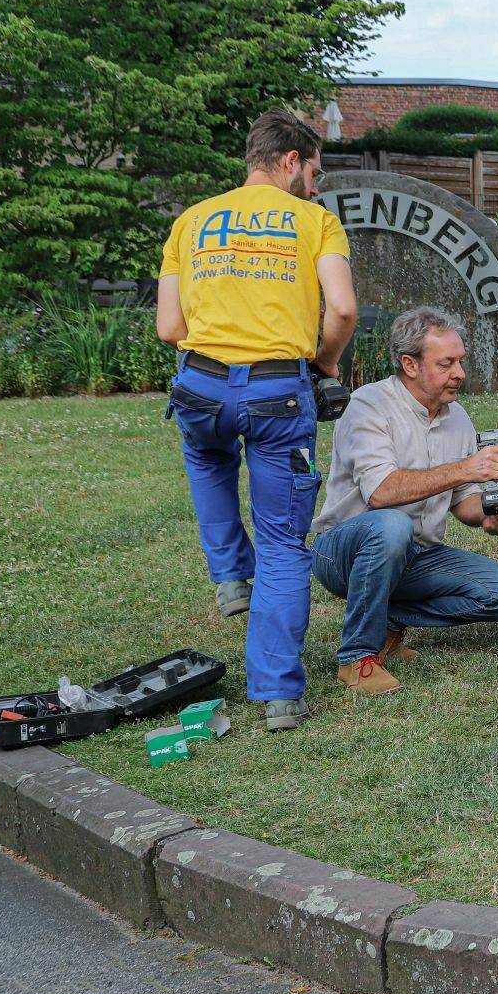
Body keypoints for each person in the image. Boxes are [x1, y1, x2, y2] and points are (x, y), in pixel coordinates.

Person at [157, 109, 357, 731]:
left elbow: (169, 326)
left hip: (200, 386)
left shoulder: (191, 221)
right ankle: (278, 696)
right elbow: (343, 309)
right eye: (314, 172)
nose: (315, 187)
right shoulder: (315, 222)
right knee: (283, 544)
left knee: (206, 457)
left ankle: (230, 579)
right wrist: (325, 362)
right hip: (277, 394)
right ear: (291, 160)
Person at [311, 307, 498, 698]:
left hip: (417, 554)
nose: (459, 373)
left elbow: (462, 499)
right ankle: (357, 658)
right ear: (409, 364)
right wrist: (465, 468)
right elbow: (381, 492)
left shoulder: (457, 416)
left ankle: (387, 617)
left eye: (460, 361)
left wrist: (488, 513)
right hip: (343, 552)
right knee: (391, 525)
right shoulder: (368, 405)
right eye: (446, 364)